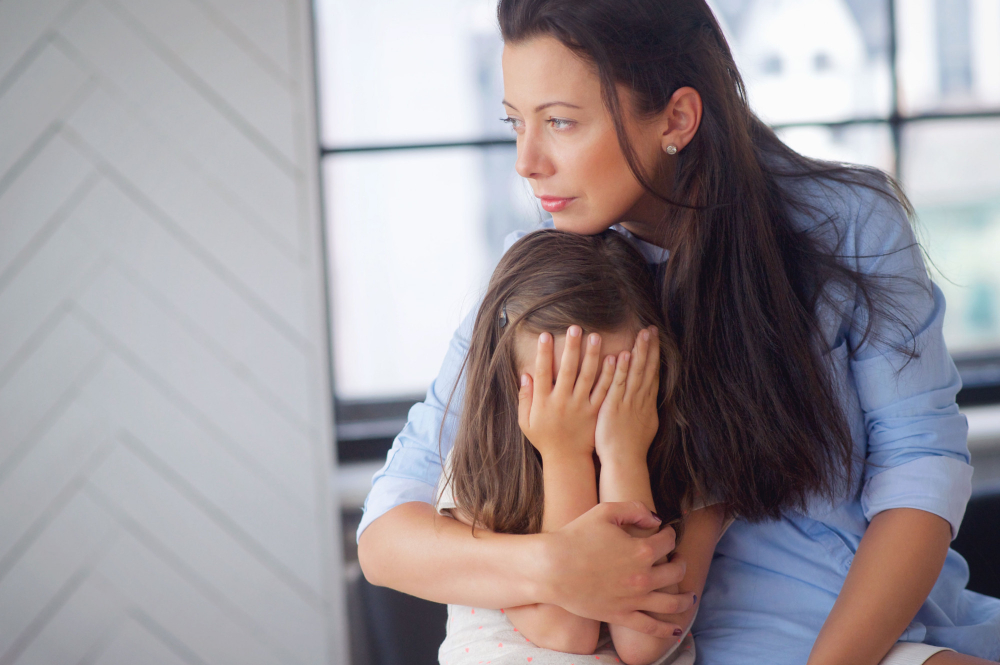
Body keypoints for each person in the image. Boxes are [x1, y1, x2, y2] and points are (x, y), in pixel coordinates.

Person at [356, 1, 1000, 664]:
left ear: (677, 118)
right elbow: (386, 534)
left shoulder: (847, 223)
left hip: (864, 640)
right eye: (516, 122)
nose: (527, 160)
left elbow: (920, 470)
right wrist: (556, 566)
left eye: (560, 122)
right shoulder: (541, 285)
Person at [433, 229, 728, 665]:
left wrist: (623, 455)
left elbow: (645, 641)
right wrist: (564, 455)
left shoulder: (694, 470)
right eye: (561, 385)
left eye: (612, 385)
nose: (584, 411)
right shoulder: (480, 467)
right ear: (510, 384)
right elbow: (566, 632)